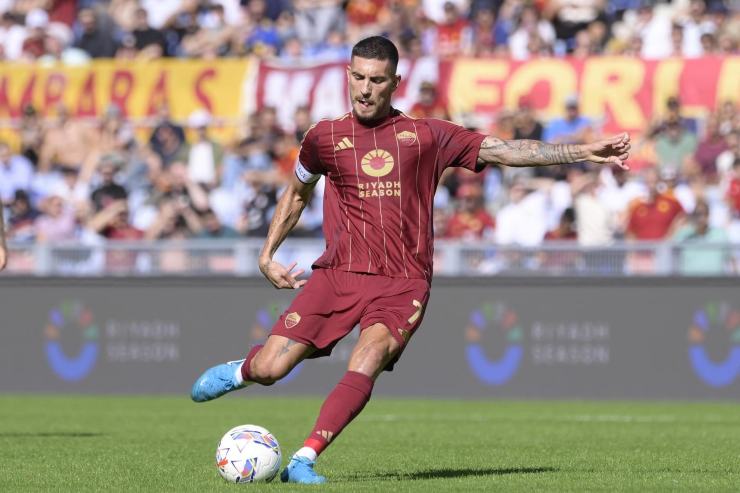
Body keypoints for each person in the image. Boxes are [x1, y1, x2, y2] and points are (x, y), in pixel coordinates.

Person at [190, 36, 630, 484]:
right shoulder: (324, 137)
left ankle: (304, 459)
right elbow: (297, 192)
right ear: (348, 75)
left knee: (369, 355)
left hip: (403, 283)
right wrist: (267, 254)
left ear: (395, 83)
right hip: (339, 273)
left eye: (376, 80)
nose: (365, 89)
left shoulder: (427, 136)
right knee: (271, 368)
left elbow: (505, 150)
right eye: (358, 77)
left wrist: (582, 151)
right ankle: (242, 370)